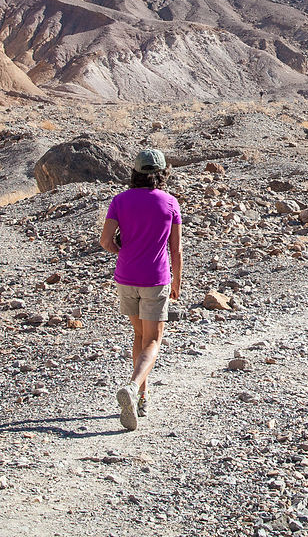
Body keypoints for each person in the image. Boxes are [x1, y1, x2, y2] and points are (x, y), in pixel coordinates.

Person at [100, 148, 183, 430]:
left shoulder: (120, 201)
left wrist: (122, 249)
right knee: (153, 340)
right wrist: (177, 281)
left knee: (138, 335)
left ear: (135, 172)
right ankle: (134, 387)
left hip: (126, 277)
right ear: (161, 174)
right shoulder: (170, 202)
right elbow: (176, 248)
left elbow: (105, 241)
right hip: (155, 279)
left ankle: (142, 398)